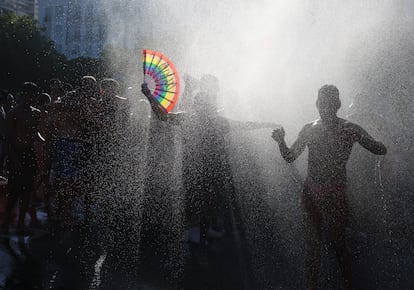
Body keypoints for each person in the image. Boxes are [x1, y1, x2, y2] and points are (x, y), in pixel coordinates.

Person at [271, 85, 387, 290]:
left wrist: (281, 141)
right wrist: (280, 141)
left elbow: (379, 149)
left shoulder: (339, 128)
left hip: (327, 194)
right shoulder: (344, 128)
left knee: (330, 246)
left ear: (336, 105)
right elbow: (380, 148)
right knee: (326, 246)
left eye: (327, 103)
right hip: (320, 194)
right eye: (322, 103)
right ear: (319, 104)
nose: (324, 107)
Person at [3, 82, 44, 233]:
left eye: (32, 95)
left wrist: (43, 140)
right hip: (16, 154)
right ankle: (6, 222)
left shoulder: (36, 112)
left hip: (29, 154)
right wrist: (14, 160)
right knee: (14, 191)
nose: (30, 97)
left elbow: (34, 133)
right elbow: (7, 140)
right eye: (27, 94)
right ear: (22, 94)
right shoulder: (13, 113)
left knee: (27, 191)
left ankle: (20, 222)